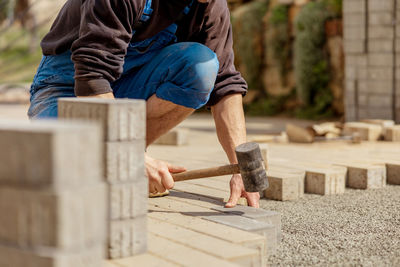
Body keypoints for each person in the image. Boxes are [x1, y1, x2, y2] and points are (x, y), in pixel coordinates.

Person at [28, 0, 260, 208]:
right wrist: (129, 156)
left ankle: (121, 160)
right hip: (66, 90)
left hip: (125, 88)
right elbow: (93, 78)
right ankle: (120, 158)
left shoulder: (211, 7)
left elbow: (225, 85)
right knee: (57, 172)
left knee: (202, 65)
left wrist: (240, 166)